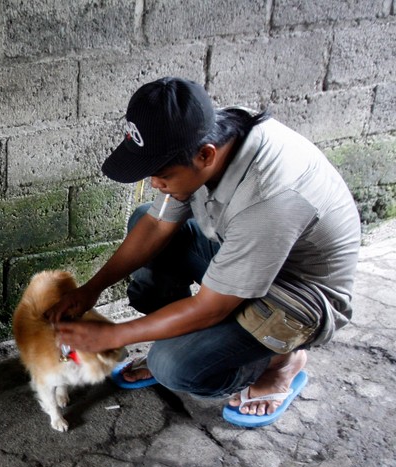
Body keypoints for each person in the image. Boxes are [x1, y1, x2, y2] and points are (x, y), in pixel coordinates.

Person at [47, 77, 361, 427]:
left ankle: (280, 363)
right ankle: (191, 342)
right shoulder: (204, 134)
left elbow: (211, 308)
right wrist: (91, 289)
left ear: (206, 155)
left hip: (298, 298)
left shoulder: (270, 196)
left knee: (175, 368)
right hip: (247, 257)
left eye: (162, 175)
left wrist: (113, 335)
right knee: (143, 222)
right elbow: (155, 227)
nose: (154, 184)